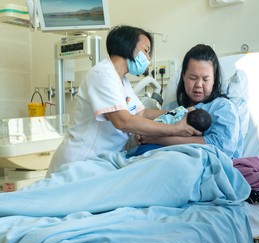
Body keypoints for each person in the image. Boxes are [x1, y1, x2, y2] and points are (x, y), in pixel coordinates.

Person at [46, 25, 200, 177]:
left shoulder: (122, 80)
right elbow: (123, 121)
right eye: (146, 51)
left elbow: (142, 113)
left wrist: (182, 112)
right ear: (129, 46)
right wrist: (176, 129)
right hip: (79, 162)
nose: (147, 59)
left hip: (100, 163)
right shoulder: (102, 75)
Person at [136, 44, 244, 158]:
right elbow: (153, 130)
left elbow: (220, 147)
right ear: (183, 76)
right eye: (193, 78)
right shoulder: (171, 108)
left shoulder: (223, 107)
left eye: (205, 79)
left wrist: (157, 139)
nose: (198, 85)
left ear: (214, 79)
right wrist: (143, 134)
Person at [129, 106, 212, 156]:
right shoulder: (185, 130)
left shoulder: (181, 110)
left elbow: (191, 109)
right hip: (145, 140)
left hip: (146, 131)